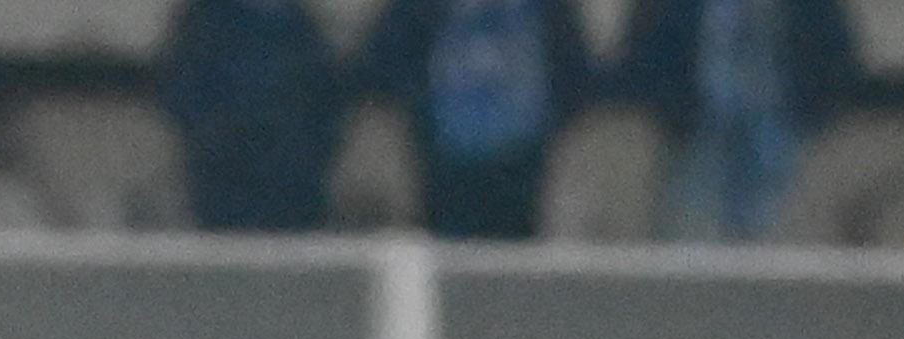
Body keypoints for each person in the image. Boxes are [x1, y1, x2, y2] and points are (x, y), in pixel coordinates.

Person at [622, 0, 855, 242]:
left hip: (791, 153)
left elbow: (835, 72)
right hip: (692, 154)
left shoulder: (811, 8)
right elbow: (643, 72)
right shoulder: (671, 8)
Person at [359, 0, 594, 239]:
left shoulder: (553, 12)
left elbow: (579, 91)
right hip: (437, 179)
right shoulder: (415, 10)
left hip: (530, 178)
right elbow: (377, 81)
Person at [158, 0, 347, 233]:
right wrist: (215, 137)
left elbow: (325, 98)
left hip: (293, 185)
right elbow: (182, 91)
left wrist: (311, 149)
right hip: (224, 181)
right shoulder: (206, 22)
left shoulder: (299, 26)